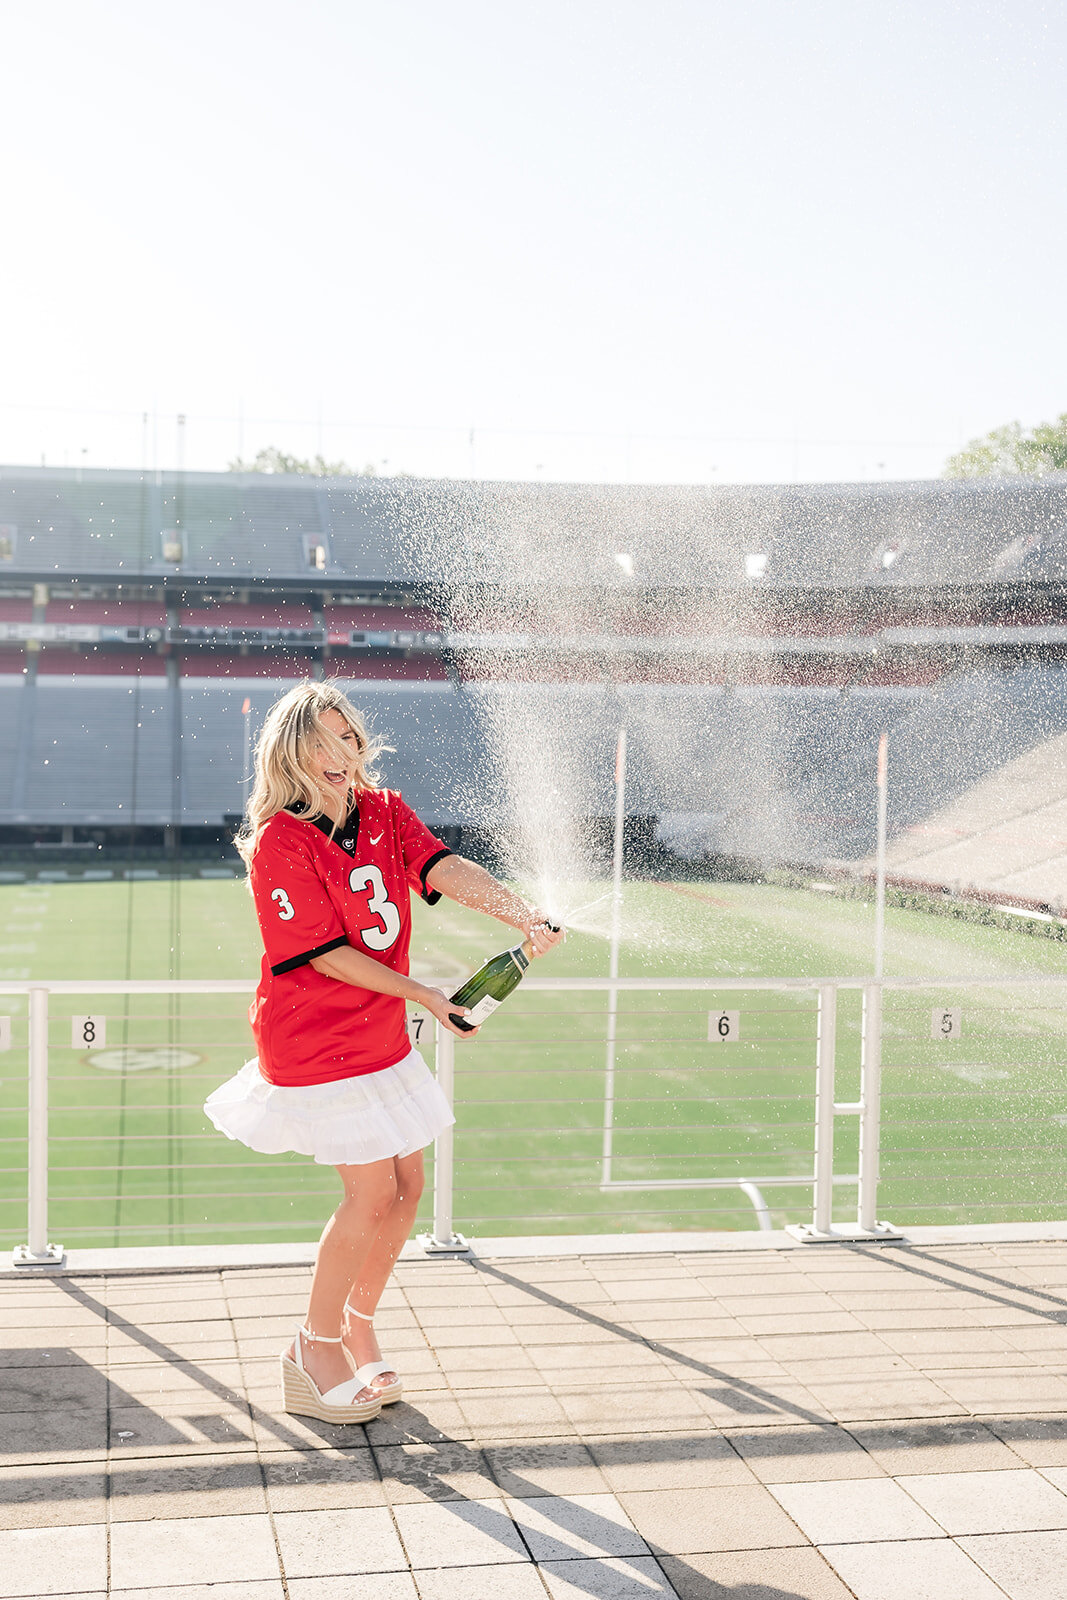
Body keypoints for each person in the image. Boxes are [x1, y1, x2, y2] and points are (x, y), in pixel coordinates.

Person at [204, 680, 563, 1424]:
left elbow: (443, 869)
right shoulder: (282, 840)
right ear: (290, 752)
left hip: (376, 1031)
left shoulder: (383, 810)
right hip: (313, 1035)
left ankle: (355, 1324)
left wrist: (523, 913)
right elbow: (326, 956)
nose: (340, 755)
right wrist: (425, 994)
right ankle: (312, 1346)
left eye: (348, 738)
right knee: (369, 1194)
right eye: (321, 742)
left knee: (406, 1188)